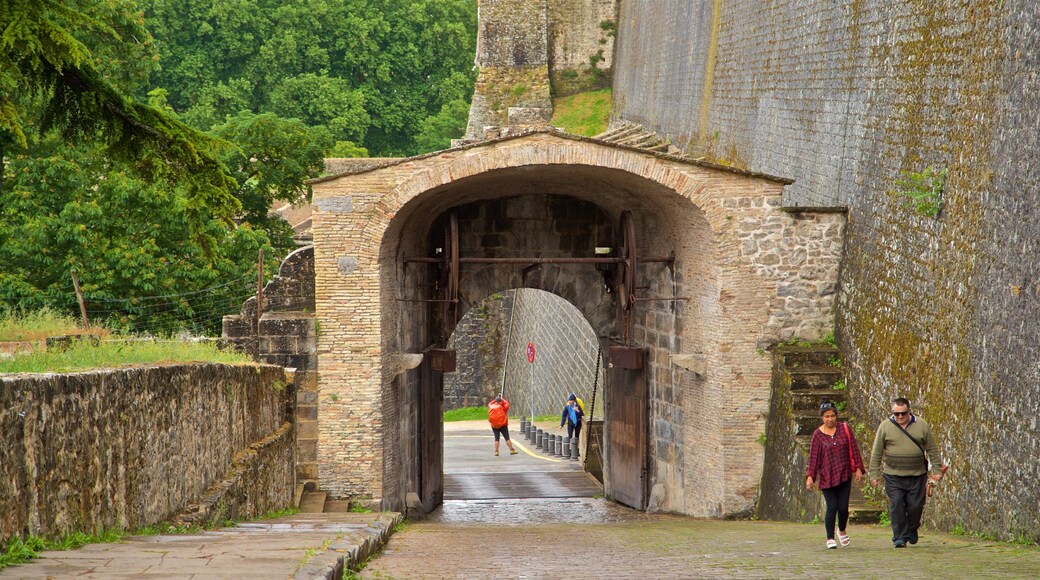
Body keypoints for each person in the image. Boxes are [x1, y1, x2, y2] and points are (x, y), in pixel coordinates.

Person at [868, 397, 944, 548]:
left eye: (903, 413)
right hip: (893, 475)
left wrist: (937, 470)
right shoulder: (885, 427)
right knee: (896, 504)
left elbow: (932, 449)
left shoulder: (921, 425)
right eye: (896, 414)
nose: (900, 417)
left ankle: (912, 528)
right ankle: (900, 537)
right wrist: (874, 474)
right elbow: (876, 452)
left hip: (917, 474)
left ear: (909, 411)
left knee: (915, 506)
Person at [805, 399, 865, 549]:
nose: (830, 419)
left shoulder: (845, 429)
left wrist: (858, 468)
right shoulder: (818, 435)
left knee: (843, 508)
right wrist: (810, 476)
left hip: (844, 474)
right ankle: (830, 537)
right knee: (832, 507)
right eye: (826, 416)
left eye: (832, 416)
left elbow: (854, 448)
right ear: (822, 417)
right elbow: (813, 457)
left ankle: (842, 530)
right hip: (827, 476)